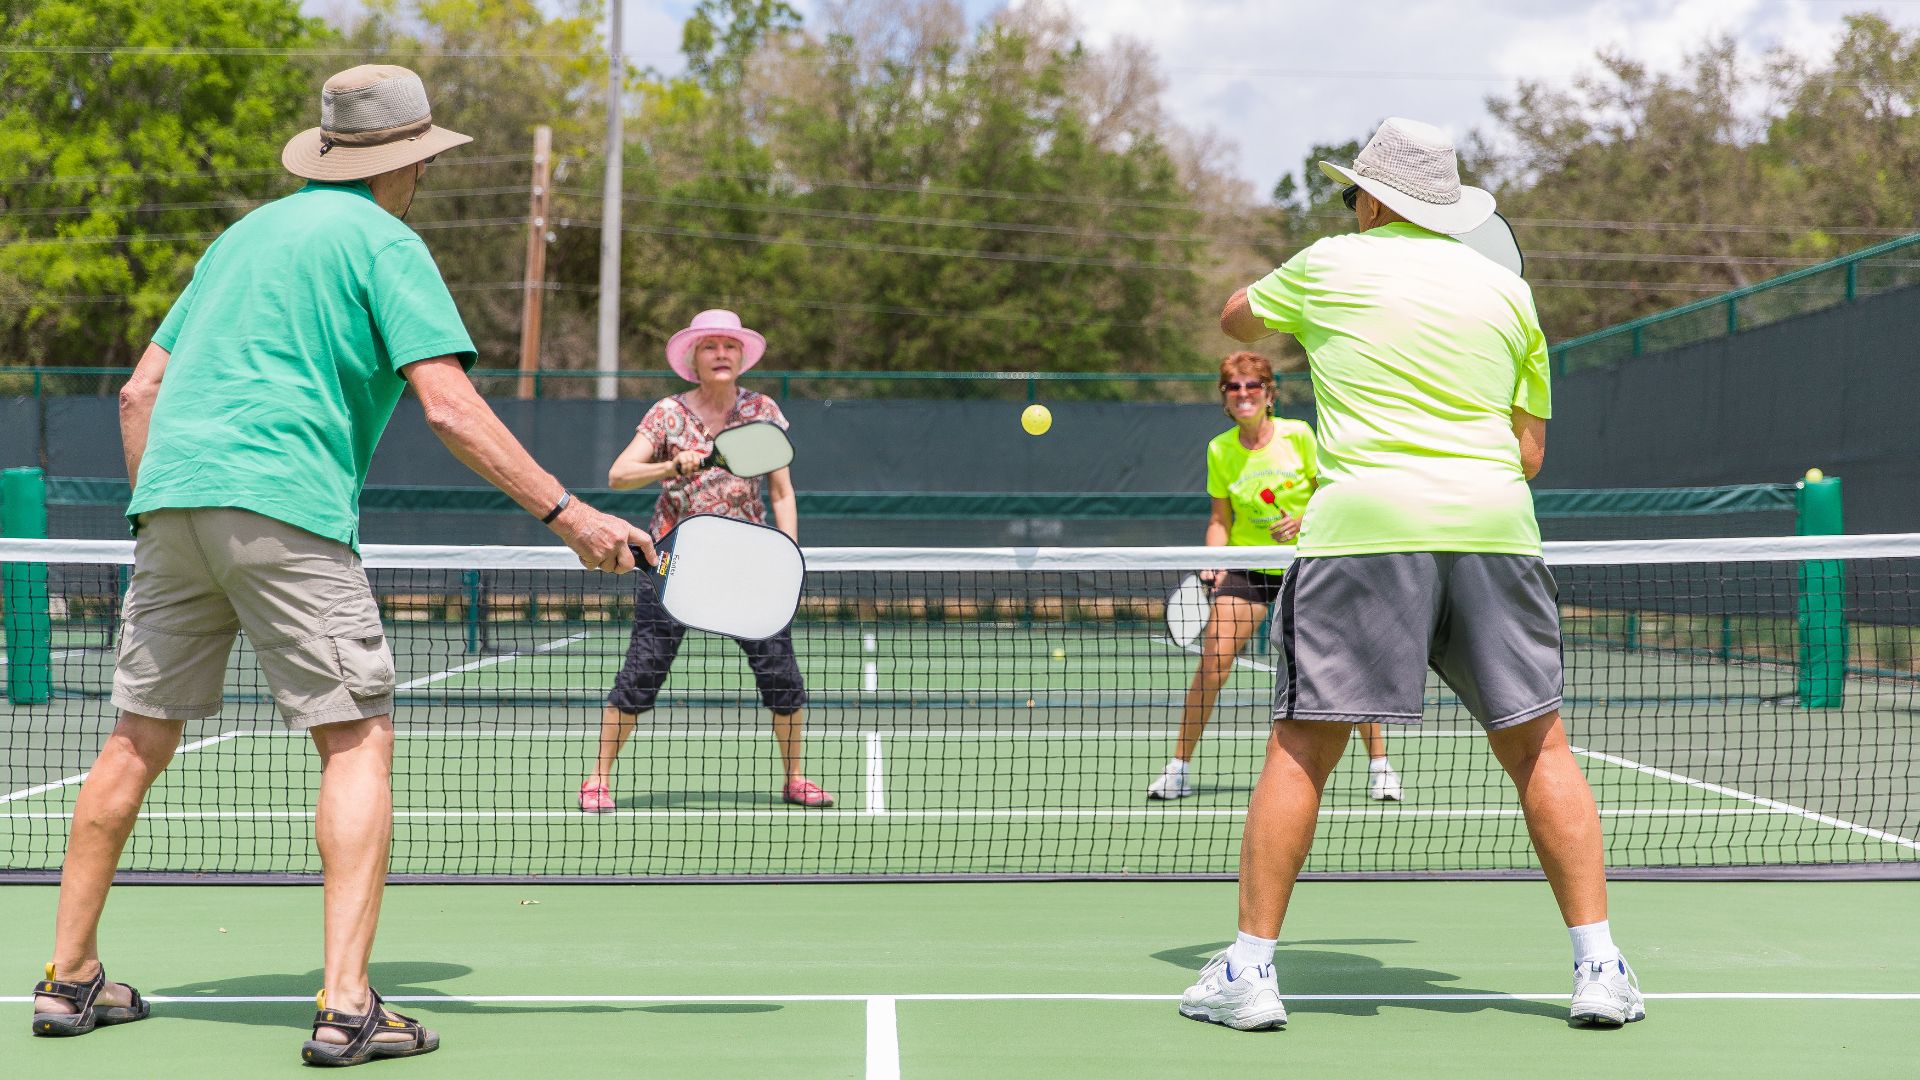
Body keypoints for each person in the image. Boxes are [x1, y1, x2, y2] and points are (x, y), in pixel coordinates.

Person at [26, 66, 653, 1066]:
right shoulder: (387, 242)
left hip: (170, 507)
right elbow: (446, 405)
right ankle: (348, 1004)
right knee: (355, 741)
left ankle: (67, 979)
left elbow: (139, 393)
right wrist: (566, 511)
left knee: (136, 742)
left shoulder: (240, 238)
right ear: (406, 163)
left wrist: (161, 514)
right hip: (285, 506)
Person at [1178, 118, 1642, 1032]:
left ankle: (1251, 972)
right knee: (1540, 746)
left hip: (1365, 532)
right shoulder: (1511, 296)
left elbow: (1235, 316)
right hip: (1495, 531)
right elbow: (1530, 451)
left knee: (1305, 744)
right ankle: (1600, 967)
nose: (1350, 207)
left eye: (1354, 194)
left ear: (1377, 199)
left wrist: (1293, 308)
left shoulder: (1328, 264)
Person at [580, 309, 835, 811]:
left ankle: (795, 778)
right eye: (710, 346)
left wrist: (788, 557)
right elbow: (618, 474)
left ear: (741, 357)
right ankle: (598, 779)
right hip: (673, 563)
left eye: (730, 345)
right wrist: (674, 463)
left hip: (750, 565)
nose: (721, 353)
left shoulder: (762, 409)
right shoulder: (667, 414)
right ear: (693, 359)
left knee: (781, 674)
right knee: (642, 671)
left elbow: (782, 493)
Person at [1146, 351, 1401, 803]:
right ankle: (1178, 768)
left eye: (1252, 386)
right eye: (1233, 388)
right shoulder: (1219, 449)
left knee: (1346, 666)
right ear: (1224, 399)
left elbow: (1334, 491)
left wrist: (1304, 519)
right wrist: (1212, 557)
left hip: (1309, 562)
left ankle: (1380, 768)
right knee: (1213, 661)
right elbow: (1219, 518)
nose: (1243, 394)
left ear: (1269, 394)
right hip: (1249, 568)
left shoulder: (1299, 436)